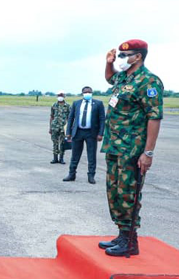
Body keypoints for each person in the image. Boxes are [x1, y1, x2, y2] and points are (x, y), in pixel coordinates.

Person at [98, 39, 163, 257]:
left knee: (128, 193)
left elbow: (154, 117)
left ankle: (130, 241)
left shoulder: (149, 81)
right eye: (120, 56)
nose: (121, 60)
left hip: (132, 149)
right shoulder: (124, 77)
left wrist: (148, 152)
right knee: (114, 192)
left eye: (126, 56)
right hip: (114, 145)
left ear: (139, 57)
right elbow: (109, 78)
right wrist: (109, 63)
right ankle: (122, 233)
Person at [63, 86, 105, 184]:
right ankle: (71, 174)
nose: (87, 94)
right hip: (78, 132)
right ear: (82, 93)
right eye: (85, 92)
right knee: (75, 155)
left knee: (91, 155)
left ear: (92, 93)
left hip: (91, 133)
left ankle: (91, 176)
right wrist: (68, 132)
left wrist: (100, 133)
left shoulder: (98, 104)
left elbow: (102, 119)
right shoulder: (76, 103)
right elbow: (71, 118)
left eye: (89, 92)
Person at [49, 91, 70, 164]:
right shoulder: (54, 105)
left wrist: (69, 129)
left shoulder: (67, 106)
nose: (60, 97)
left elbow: (69, 118)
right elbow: (52, 116)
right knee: (55, 143)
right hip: (55, 127)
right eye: (58, 95)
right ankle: (55, 158)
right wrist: (50, 127)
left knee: (63, 143)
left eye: (61, 95)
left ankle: (61, 158)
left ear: (64, 96)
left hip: (63, 127)